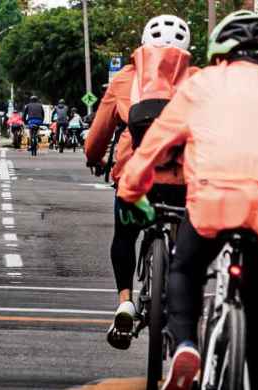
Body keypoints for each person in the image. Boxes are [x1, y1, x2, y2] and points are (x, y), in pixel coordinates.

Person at [117, 11, 258, 390]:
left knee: (185, 269)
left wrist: (131, 193)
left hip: (211, 204)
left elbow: (157, 143)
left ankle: (187, 344)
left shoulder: (201, 85)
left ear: (219, 51)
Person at [84, 14, 196, 351]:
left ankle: (125, 302)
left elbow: (97, 137)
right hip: (183, 181)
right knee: (190, 246)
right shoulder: (197, 80)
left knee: (125, 236)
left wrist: (95, 159)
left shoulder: (124, 80)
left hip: (135, 179)